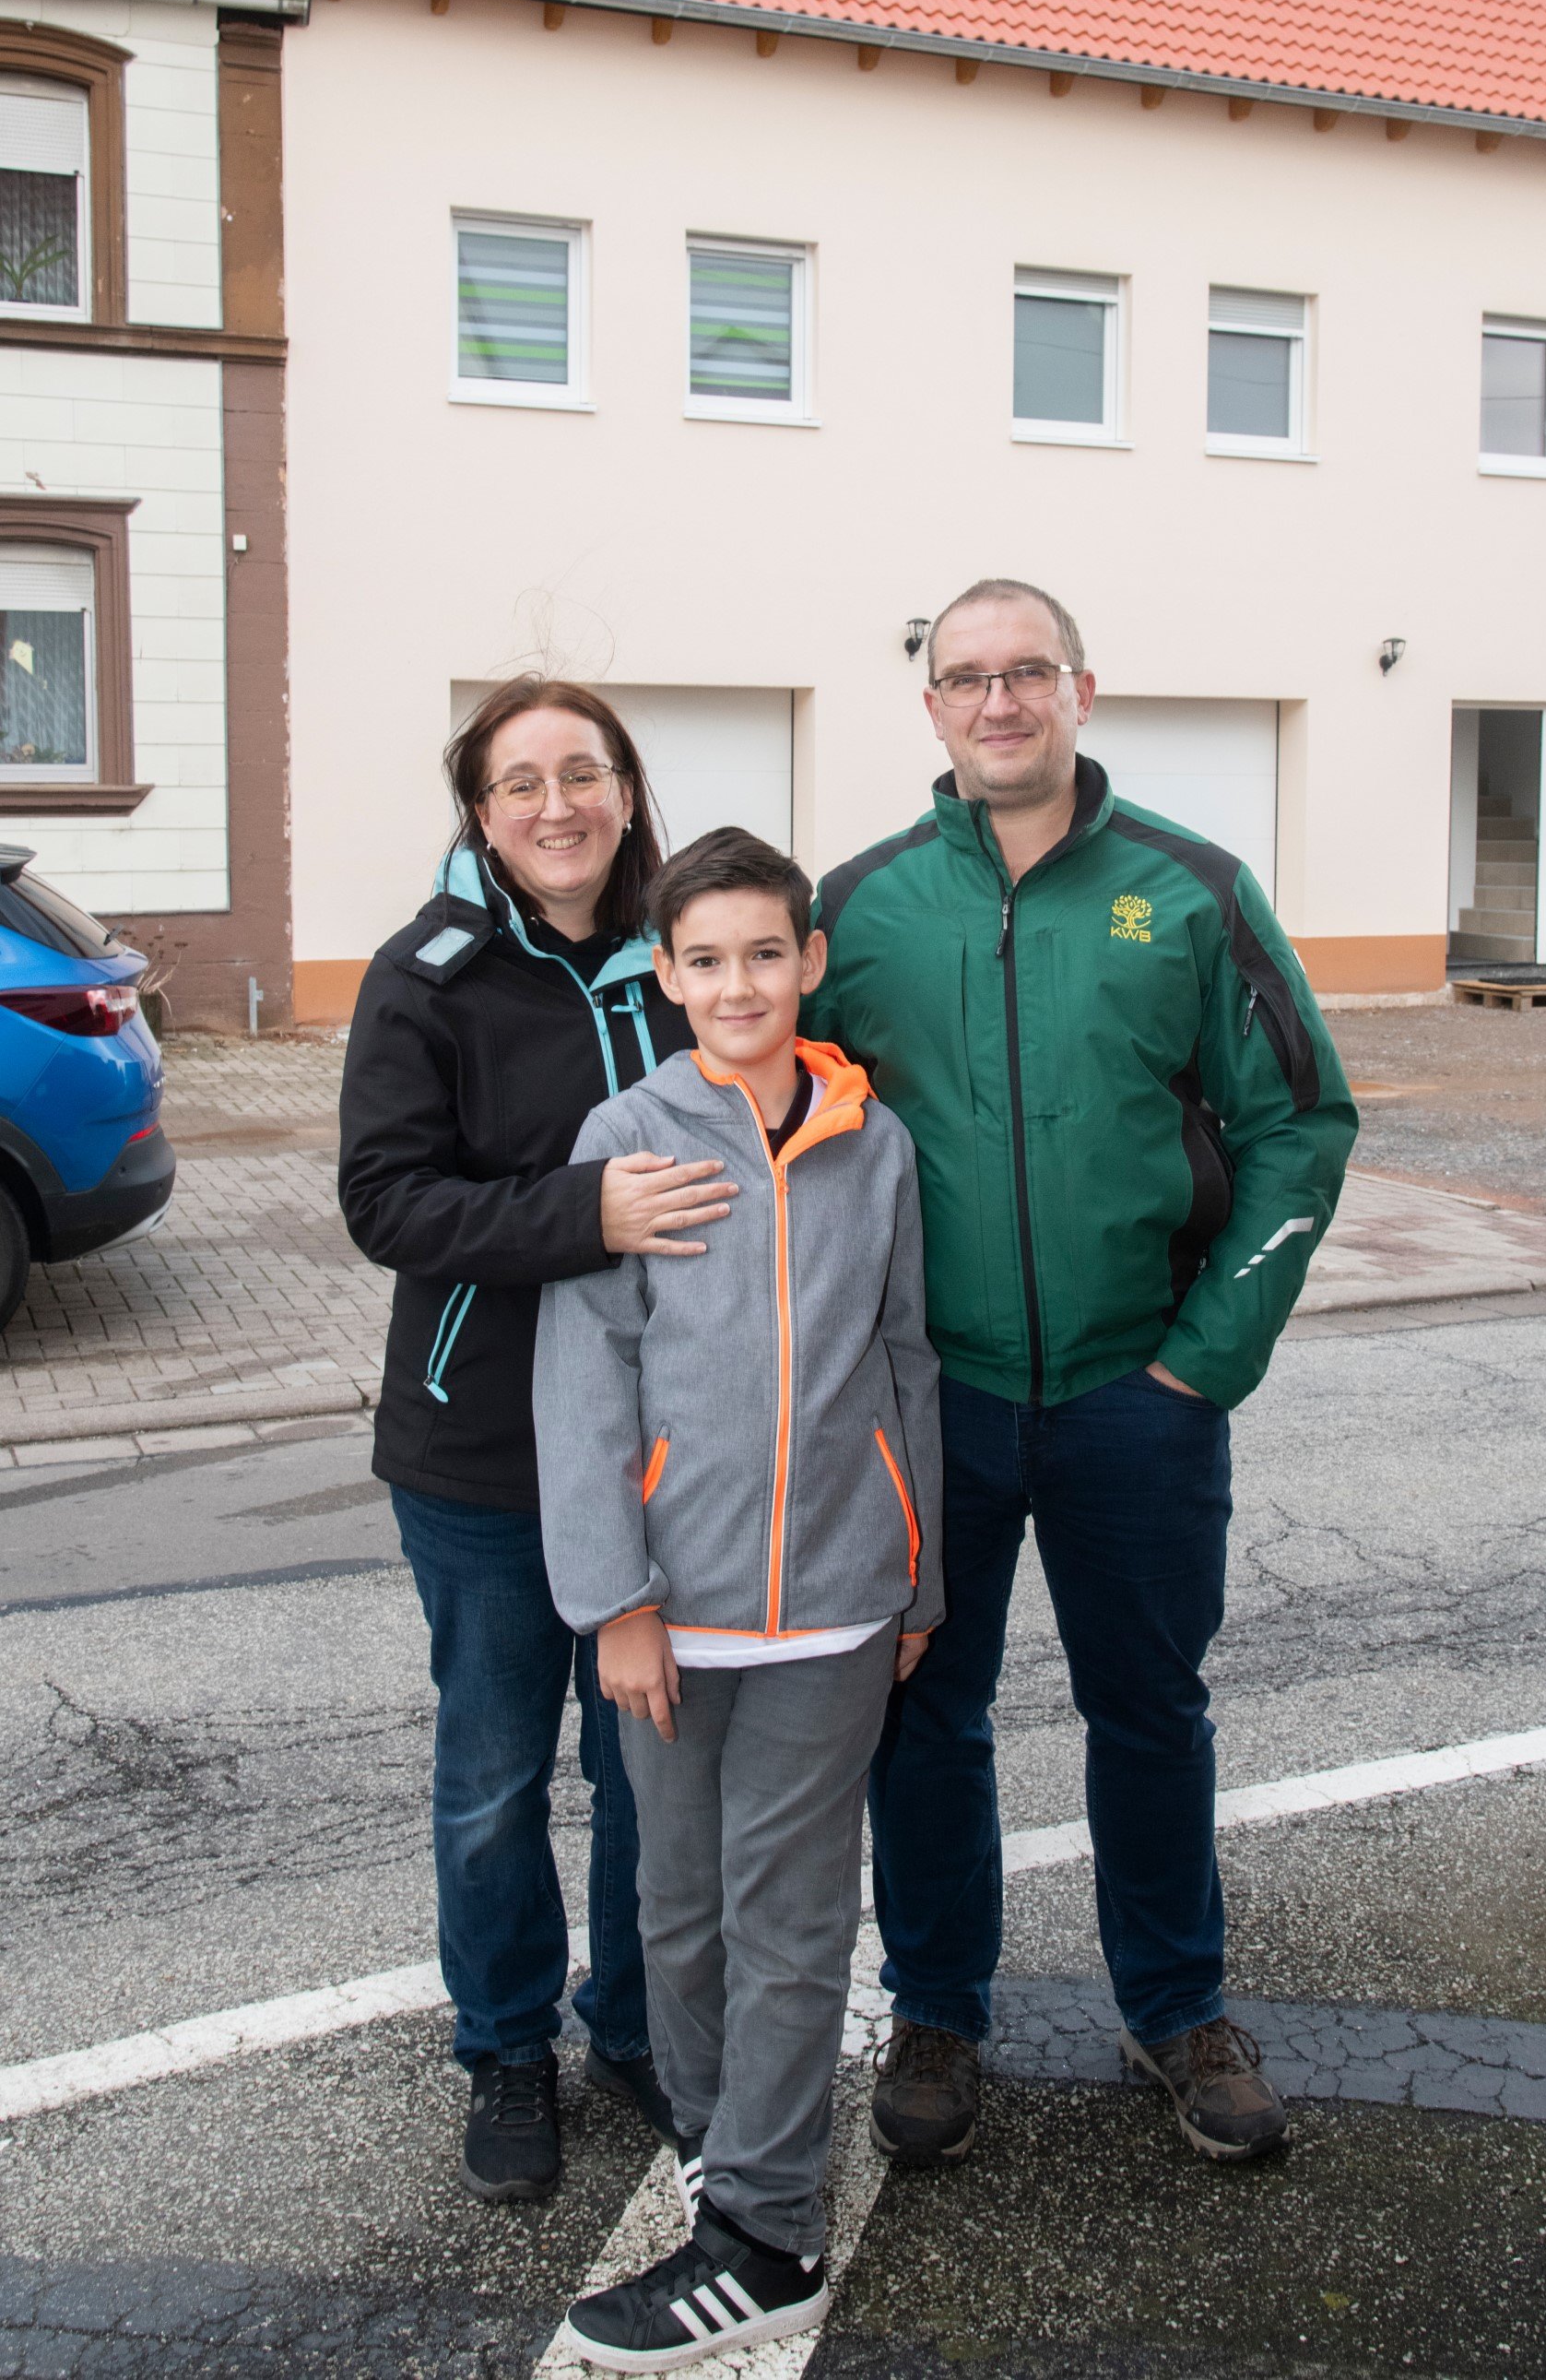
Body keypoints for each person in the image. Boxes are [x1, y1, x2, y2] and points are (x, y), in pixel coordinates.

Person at [804, 578, 1359, 2170]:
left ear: (1081, 690)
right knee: (926, 1715)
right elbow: (775, 1115)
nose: (999, 700)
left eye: (1026, 671)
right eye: (967, 676)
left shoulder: (1194, 890)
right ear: (932, 707)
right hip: (938, 1403)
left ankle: (1176, 2007)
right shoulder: (862, 908)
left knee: (1151, 1710)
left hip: (1138, 1396)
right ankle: (937, 2010)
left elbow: (1299, 1124)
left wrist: (1207, 1357)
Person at [533, 826, 942, 2370]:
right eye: (705, 958)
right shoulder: (627, 1135)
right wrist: (615, 1601)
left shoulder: (872, 1141)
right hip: (674, 1605)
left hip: (837, 1603)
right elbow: (585, 1377)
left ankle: (769, 2238)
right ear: (666, 972)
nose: (739, 983)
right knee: (678, 1905)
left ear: (809, 959)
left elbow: (904, 1360)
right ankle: (723, 2150)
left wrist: (919, 1574)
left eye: (766, 951)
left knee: (788, 1911)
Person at [339, 678, 741, 2203]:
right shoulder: (424, 976)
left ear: (627, 792)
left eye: (585, 772)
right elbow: (386, 1200)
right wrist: (585, 1211)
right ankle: (506, 2043)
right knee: (496, 1776)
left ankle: (633, 2022)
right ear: (483, 811)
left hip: (668, 1451)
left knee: (651, 1768)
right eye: (523, 782)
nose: (557, 804)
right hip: (485, 1458)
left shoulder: (689, 957)